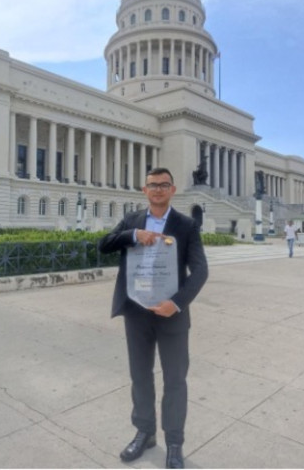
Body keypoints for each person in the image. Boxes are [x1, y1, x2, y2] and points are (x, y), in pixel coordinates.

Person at [99, 167, 209, 469]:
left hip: (171, 314)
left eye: (163, 185)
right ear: (144, 190)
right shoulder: (132, 220)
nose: (158, 190)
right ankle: (144, 432)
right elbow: (104, 244)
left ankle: (174, 442)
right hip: (137, 312)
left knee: (175, 380)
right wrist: (134, 235)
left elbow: (200, 270)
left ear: (172, 190)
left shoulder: (185, 225)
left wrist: (176, 303)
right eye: (152, 185)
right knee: (140, 376)